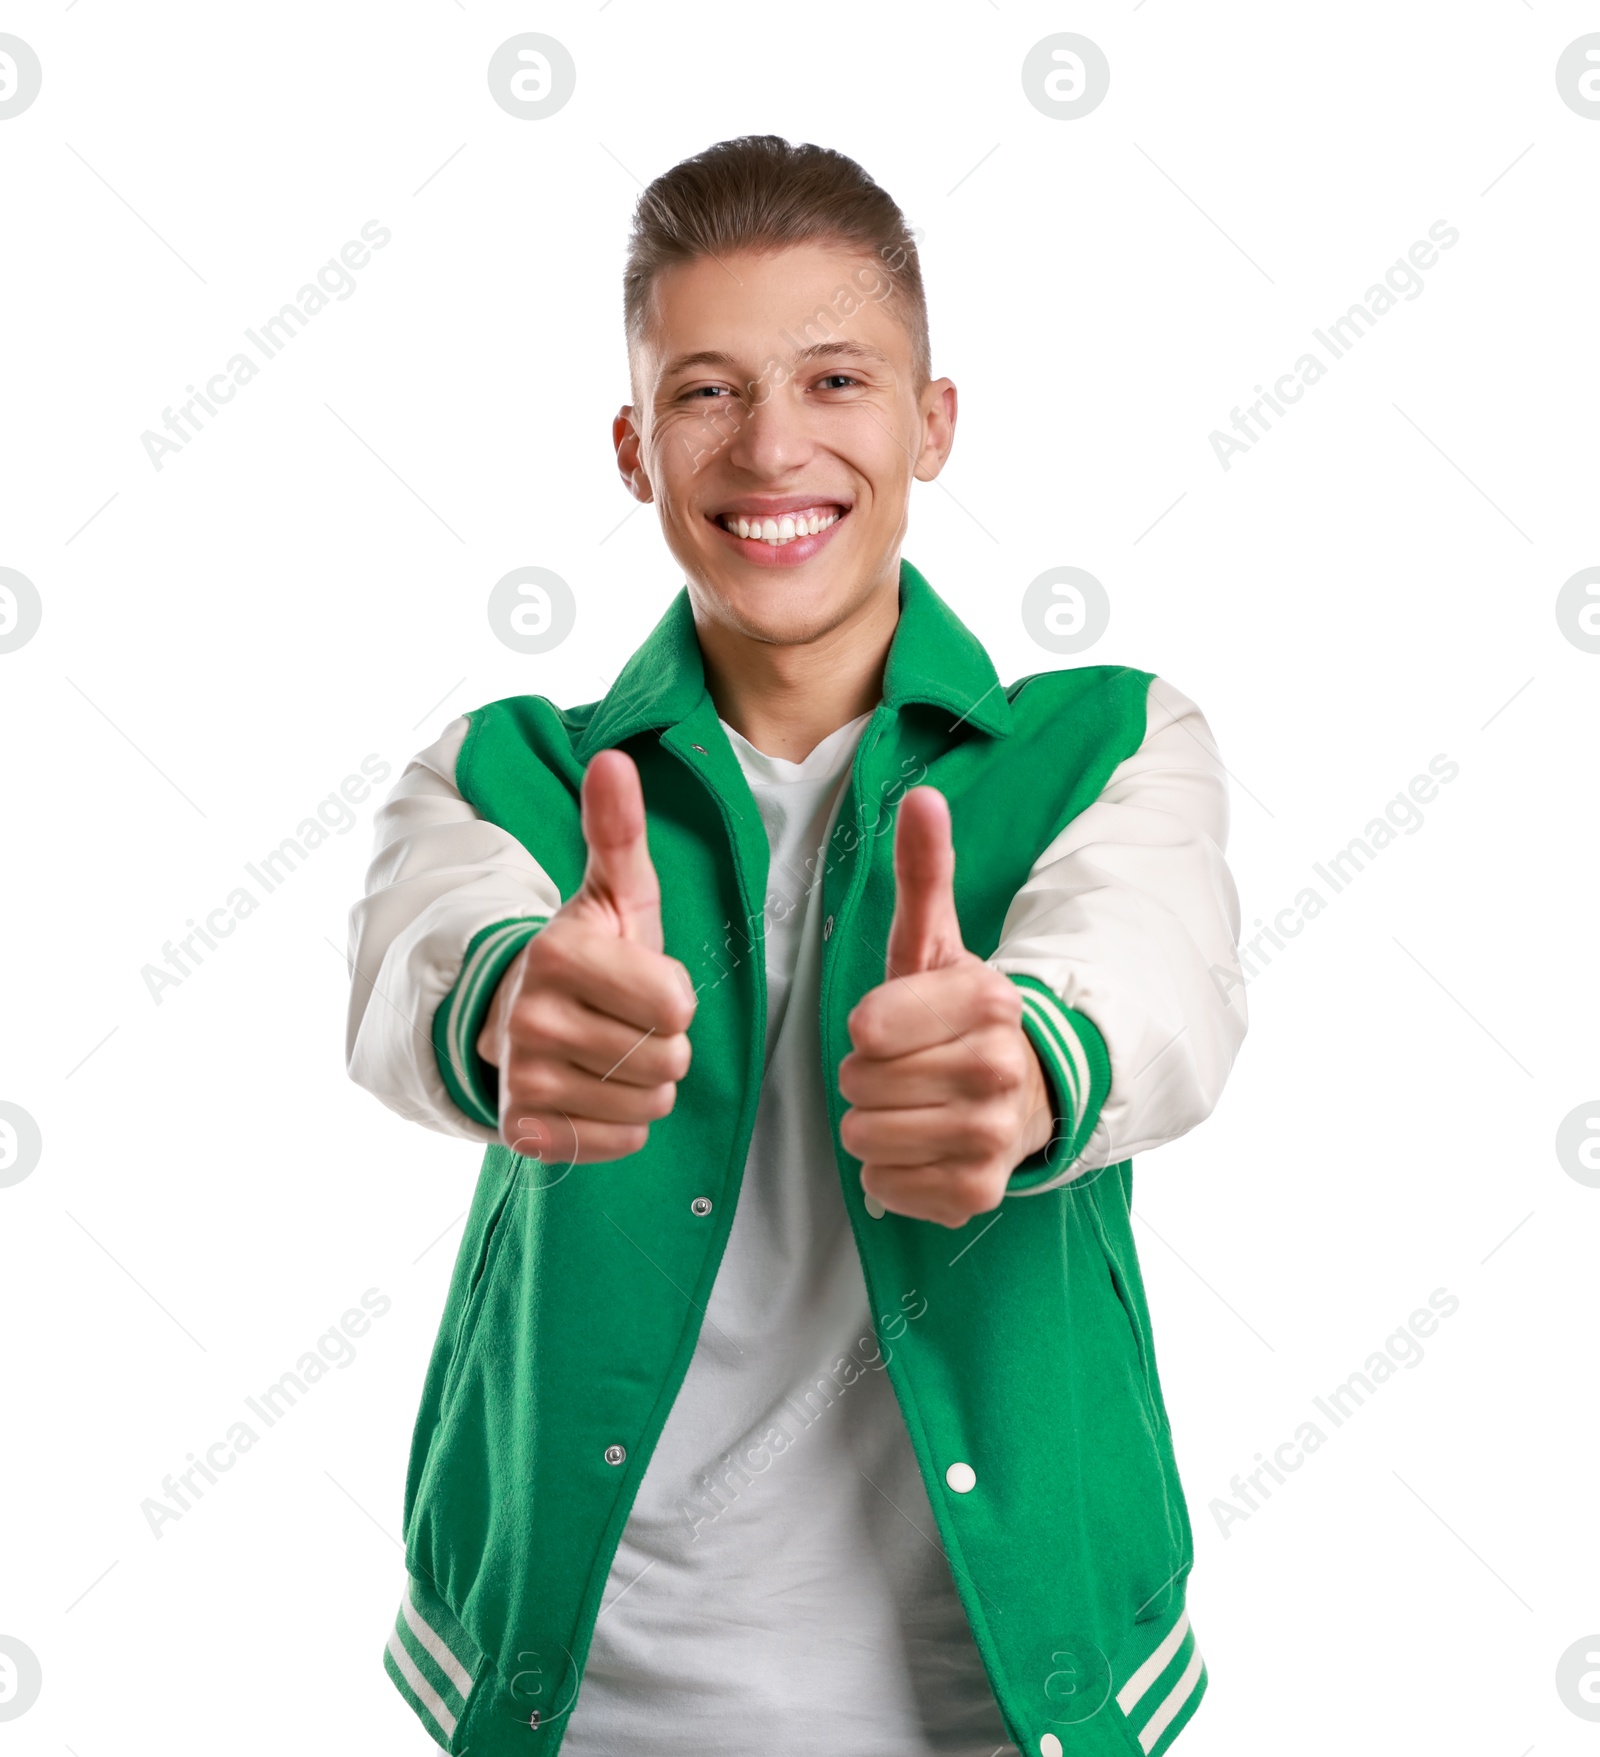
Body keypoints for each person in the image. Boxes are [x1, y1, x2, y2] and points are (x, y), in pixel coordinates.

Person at [346, 134, 1248, 1757]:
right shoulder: (506, 772)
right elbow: (426, 952)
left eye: (836, 379)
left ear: (932, 422)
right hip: (585, 1697)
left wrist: (1030, 1060)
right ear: (632, 447)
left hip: (997, 1700)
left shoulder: (1113, 739)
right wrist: (516, 1014)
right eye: (706, 392)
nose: (773, 448)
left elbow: (1157, 971)